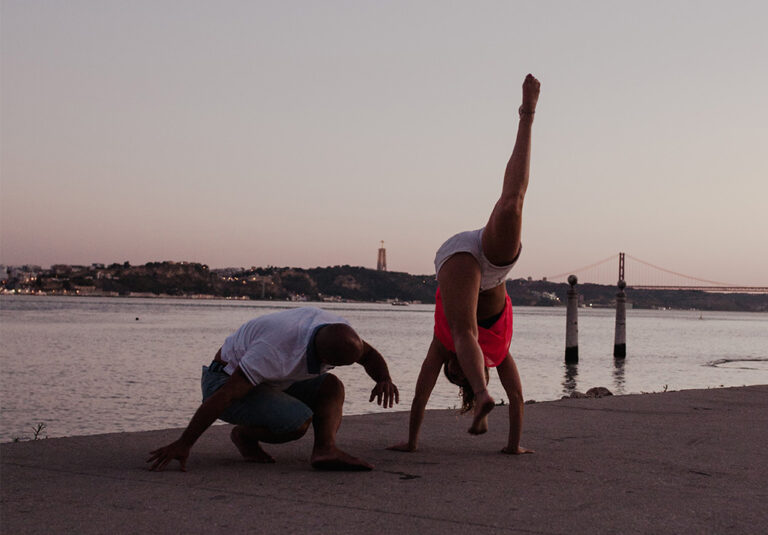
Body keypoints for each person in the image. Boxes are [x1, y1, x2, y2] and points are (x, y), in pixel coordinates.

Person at [389, 74, 539, 455]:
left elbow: (421, 394)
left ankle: (525, 115)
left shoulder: (443, 347)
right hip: (493, 268)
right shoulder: (499, 354)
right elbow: (518, 399)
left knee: (463, 332)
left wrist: (411, 441)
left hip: (459, 259)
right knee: (512, 204)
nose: (452, 367)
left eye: (454, 371)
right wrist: (514, 447)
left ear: (452, 369)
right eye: (466, 373)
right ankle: (529, 115)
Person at [147, 306, 399, 472]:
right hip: (222, 380)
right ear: (318, 354)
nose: (333, 366)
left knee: (331, 385)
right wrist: (185, 442)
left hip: (273, 380)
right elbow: (225, 395)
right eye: (330, 363)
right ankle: (244, 436)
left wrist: (383, 378)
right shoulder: (274, 351)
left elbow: (368, 355)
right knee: (297, 422)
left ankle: (325, 449)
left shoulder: (338, 329)